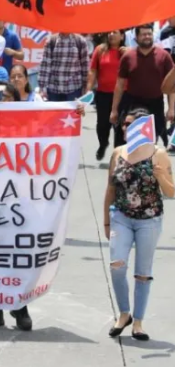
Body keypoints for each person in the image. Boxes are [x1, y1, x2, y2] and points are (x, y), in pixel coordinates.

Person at [104, 108, 175, 341]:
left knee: (142, 273)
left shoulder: (159, 154)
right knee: (116, 265)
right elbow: (111, 188)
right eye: (124, 124)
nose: (125, 128)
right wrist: (106, 219)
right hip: (121, 217)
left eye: (130, 124)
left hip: (149, 220)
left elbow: (171, 192)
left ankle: (138, 323)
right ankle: (124, 313)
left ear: (142, 128)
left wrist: (160, 176)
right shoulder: (118, 152)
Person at [112, 25, 175, 145]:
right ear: (136, 37)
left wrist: (171, 109)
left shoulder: (164, 56)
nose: (147, 37)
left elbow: (172, 86)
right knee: (127, 139)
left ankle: (147, 163)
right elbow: (119, 85)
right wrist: (114, 110)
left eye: (149, 34)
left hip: (155, 104)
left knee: (150, 142)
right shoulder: (128, 56)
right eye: (143, 34)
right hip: (132, 104)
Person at [87, 30, 125, 160]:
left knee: (120, 127)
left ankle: (117, 155)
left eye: (115, 33)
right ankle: (103, 144)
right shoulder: (100, 50)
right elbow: (93, 71)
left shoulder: (126, 52)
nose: (111, 35)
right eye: (109, 32)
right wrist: (88, 89)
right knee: (102, 125)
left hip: (122, 95)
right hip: (103, 94)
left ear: (122, 36)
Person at [38, 32, 89, 101]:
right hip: (54, 89)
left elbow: (85, 67)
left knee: (73, 112)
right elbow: (45, 66)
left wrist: (85, 88)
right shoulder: (51, 40)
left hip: (74, 89)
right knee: (54, 112)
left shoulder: (80, 41)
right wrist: (42, 89)